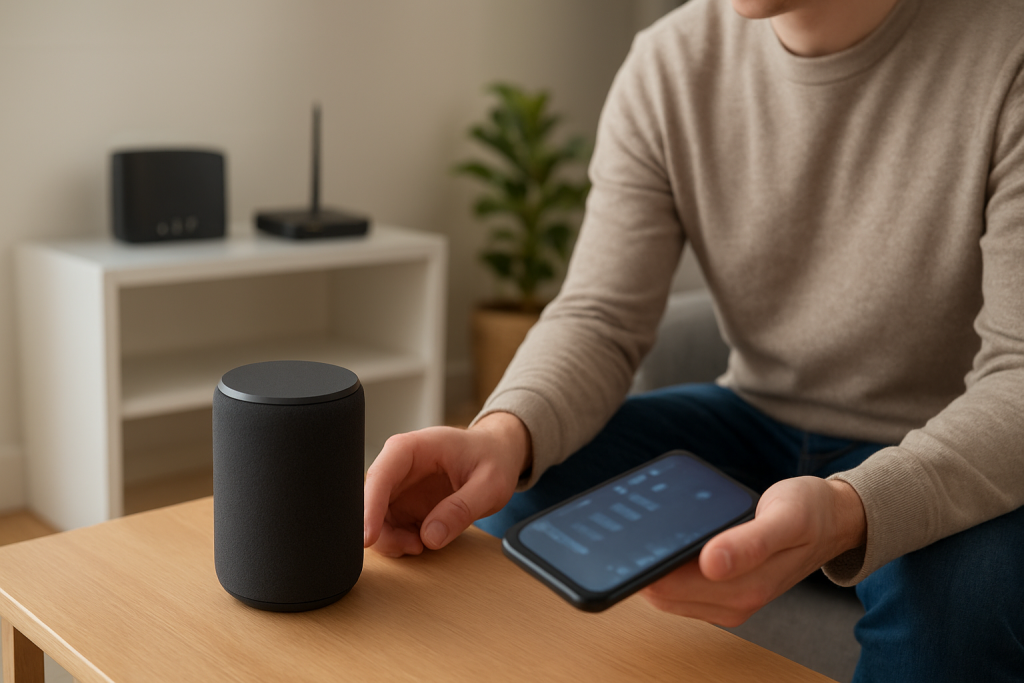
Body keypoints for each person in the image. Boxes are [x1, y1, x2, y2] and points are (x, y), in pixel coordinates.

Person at [364, 0, 1024, 680]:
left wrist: (856, 508)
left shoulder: (1007, 53)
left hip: (943, 445)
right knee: (527, 504)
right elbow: (600, 316)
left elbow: (1020, 374)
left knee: (957, 602)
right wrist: (502, 434)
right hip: (753, 424)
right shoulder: (669, 64)